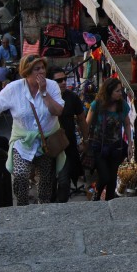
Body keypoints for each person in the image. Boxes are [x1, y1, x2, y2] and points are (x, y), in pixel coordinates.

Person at [0, 54, 65, 206]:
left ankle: (44, 210)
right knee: (21, 175)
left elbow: (58, 111)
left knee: (45, 182)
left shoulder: (52, 86)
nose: (41, 72)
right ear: (27, 72)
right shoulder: (14, 89)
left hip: (47, 141)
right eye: (37, 69)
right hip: (23, 142)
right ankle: (22, 208)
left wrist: (44, 93)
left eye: (43, 68)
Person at [85, 78, 132, 201]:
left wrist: (130, 144)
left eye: (120, 90)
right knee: (104, 177)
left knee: (112, 179)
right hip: (98, 146)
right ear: (109, 91)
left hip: (116, 147)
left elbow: (127, 124)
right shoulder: (97, 105)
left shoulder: (122, 105)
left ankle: (110, 202)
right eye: (117, 91)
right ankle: (96, 195)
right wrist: (85, 141)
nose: (120, 93)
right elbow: (87, 124)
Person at [52, 70, 88, 202]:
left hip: (67, 145)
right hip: (48, 145)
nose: (63, 82)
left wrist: (85, 140)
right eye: (59, 80)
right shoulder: (44, 97)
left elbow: (81, 119)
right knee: (49, 182)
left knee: (64, 181)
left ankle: (61, 207)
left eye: (64, 79)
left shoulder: (72, 97)